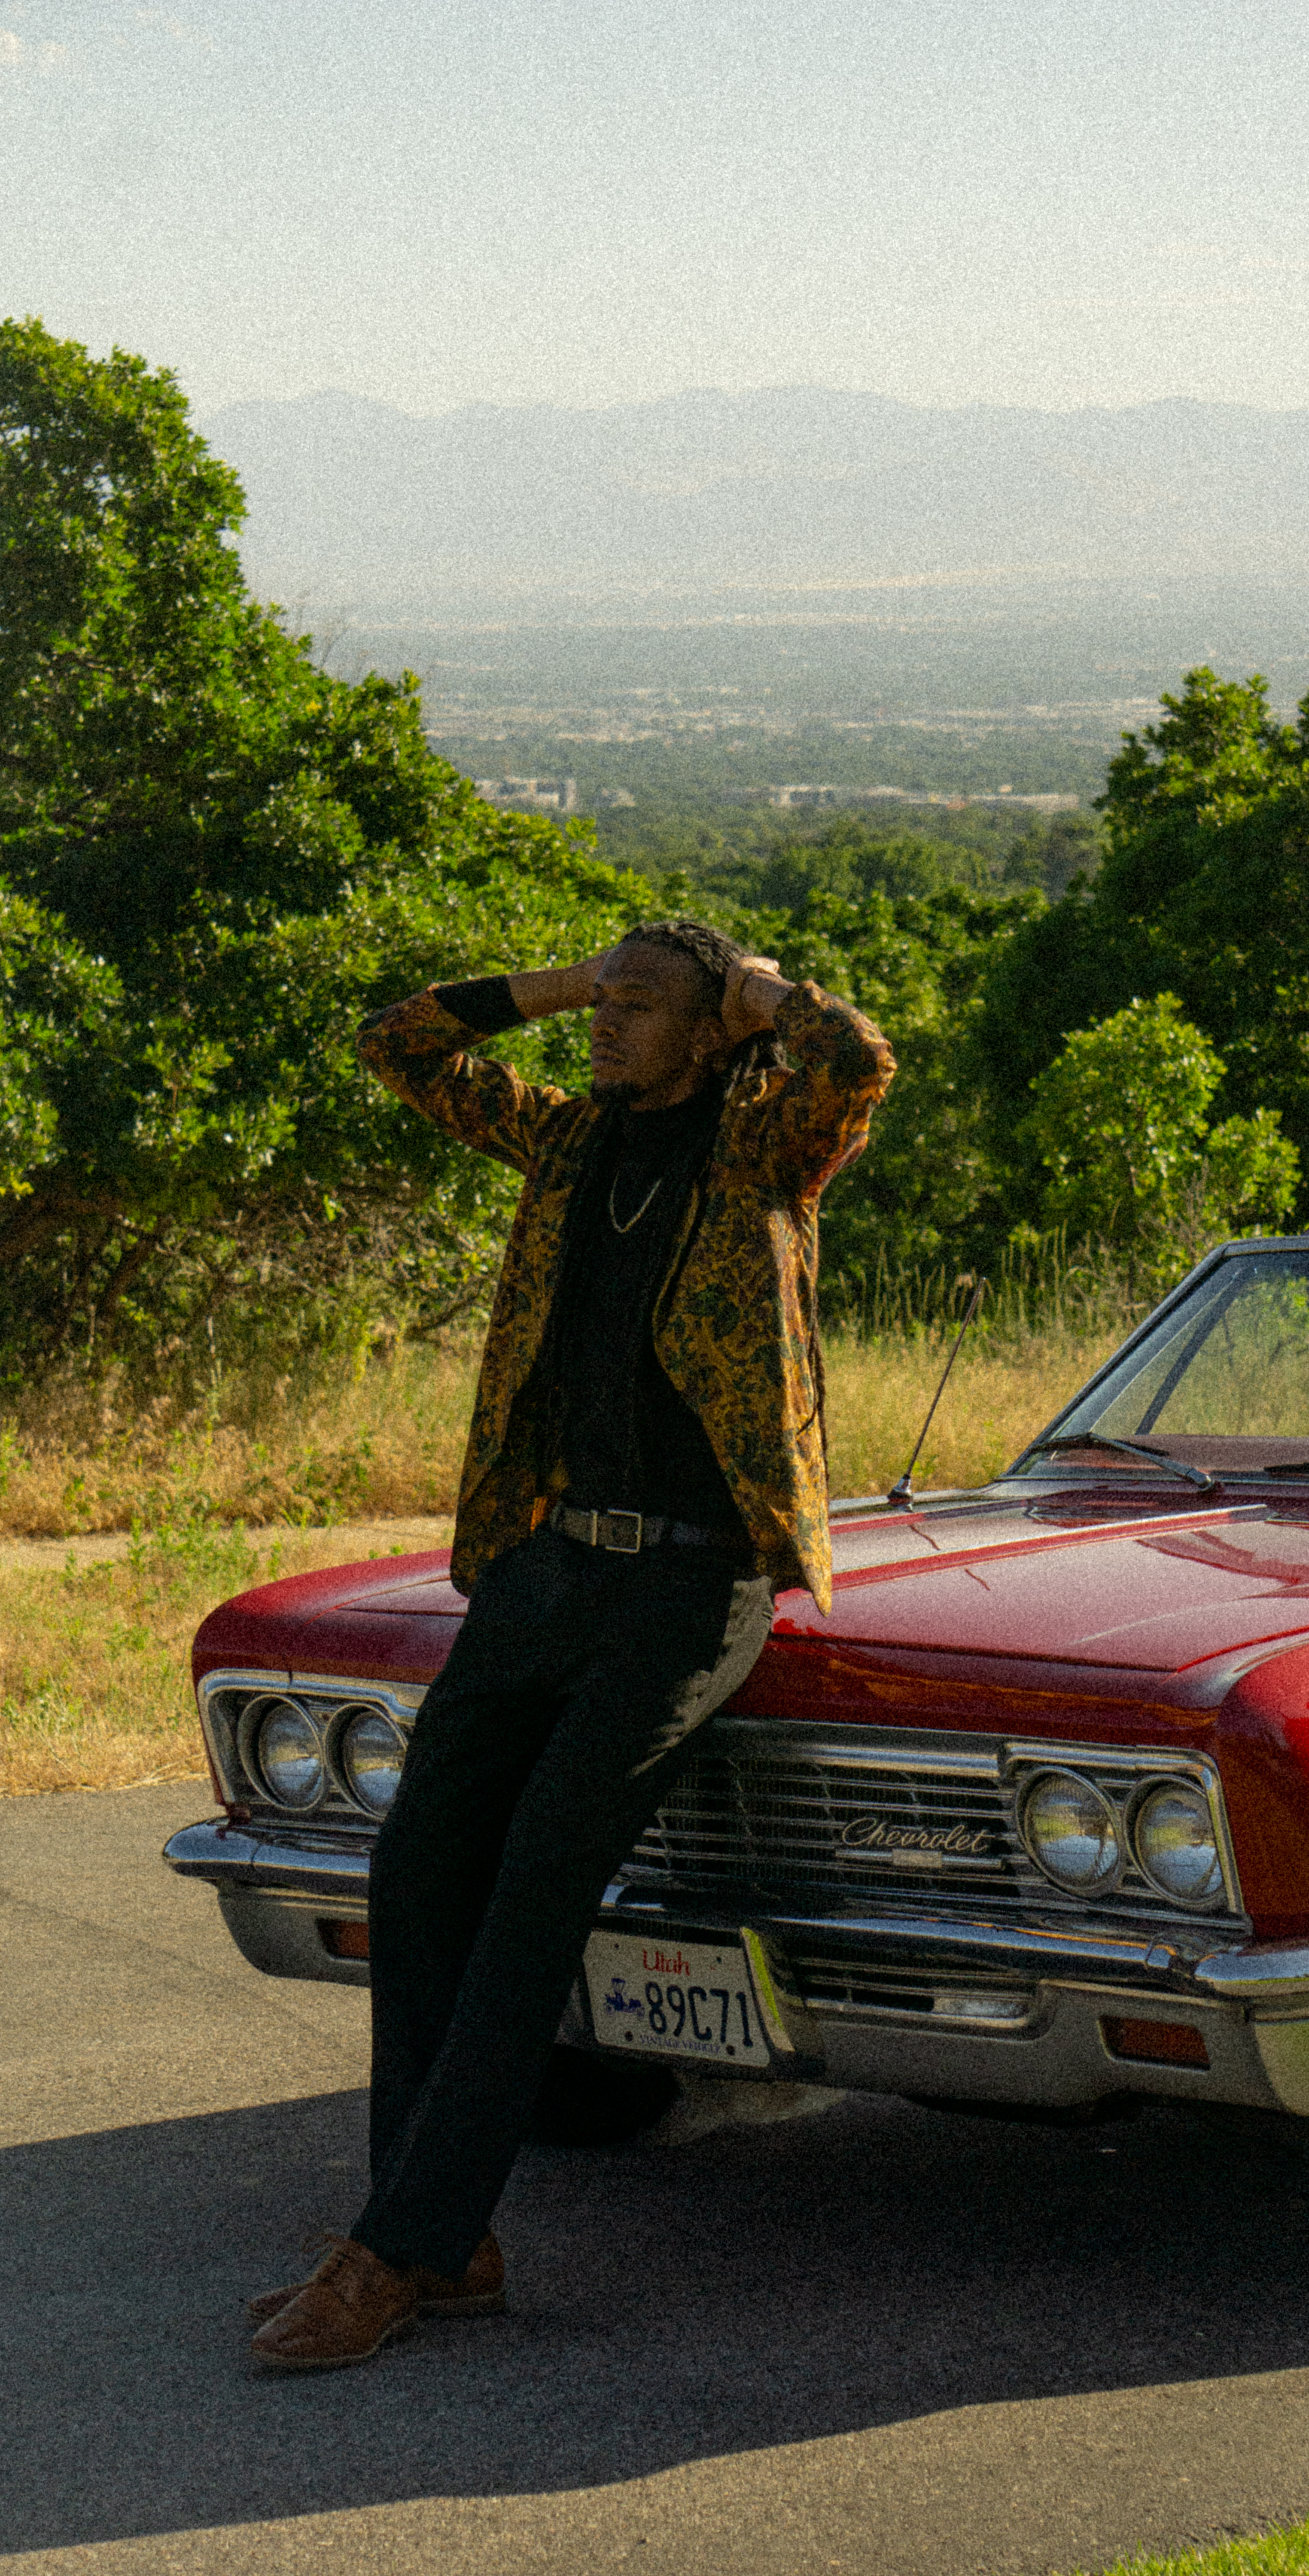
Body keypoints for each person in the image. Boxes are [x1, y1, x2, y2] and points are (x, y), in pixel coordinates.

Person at [246, 920, 894, 2371]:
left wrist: (754, 999)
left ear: (714, 1026)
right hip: (546, 1566)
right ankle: (439, 2236)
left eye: (638, 1006)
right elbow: (401, 1040)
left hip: (691, 1588)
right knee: (419, 1869)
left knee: (538, 1885)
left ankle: (402, 2250)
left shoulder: (768, 1152)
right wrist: (561, 985)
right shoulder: (560, 1146)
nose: (603, 1026)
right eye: (598, 1002)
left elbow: (859, 1058)